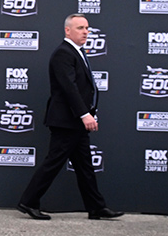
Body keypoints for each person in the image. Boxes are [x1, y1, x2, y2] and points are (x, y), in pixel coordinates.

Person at [16, 14, 123, 222]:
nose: (85, 32)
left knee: (85, 166)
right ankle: (28, 201)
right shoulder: (63, 54)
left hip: (74, 121)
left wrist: (88, 113)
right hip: (66, 121)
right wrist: (85, 115)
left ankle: (96, 207)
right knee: (54, 162)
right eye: (80, 28)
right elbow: (69, 88)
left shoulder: (77, 52)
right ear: (67, 30)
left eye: (87, 28)